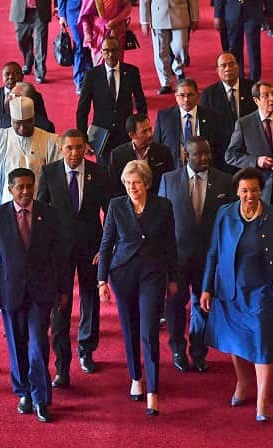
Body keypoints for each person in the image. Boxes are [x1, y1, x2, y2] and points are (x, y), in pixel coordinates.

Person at [199, 167, 273, 422]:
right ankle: (243, 382)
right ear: (237, 191)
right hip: (229, 289)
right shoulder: (224, 214)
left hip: (260, 289)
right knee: (235, 341)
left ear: (262, 191)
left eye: (255, 190)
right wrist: (207, 287)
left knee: (263, 342)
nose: (250, 195)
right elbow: (213, 252)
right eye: (245, 190)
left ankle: (263, 400)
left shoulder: (272, 216)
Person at [0, 168, 69, 423]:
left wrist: (63, 290)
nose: (25, 191)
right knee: (17, 346)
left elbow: (60, 256)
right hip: (10, 292)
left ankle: (42, 398)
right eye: (19, 187)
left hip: (41, 293)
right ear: (10, 189)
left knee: (38, 345)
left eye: (29, 186)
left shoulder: (48, 214)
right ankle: (24, 393)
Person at [98, 160, 178, 417]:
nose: (132, 187)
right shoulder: (116, 206)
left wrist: (173, 277)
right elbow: (106, 242)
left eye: (137, 183)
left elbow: (170, 245)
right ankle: (135, 376)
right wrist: (101, 280)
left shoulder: (163, 206)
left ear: (146, 183)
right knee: (130, 328)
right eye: (128, 183)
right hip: (122, 273)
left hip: (152, 274)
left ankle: (153, 390)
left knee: (149, 330)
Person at [36, 130, 112, 386]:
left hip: (91, 248)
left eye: (79, 147)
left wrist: (106, 247)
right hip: (59, 252)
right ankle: (62, 366)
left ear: (84, 148)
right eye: (69, 148)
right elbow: (40, 213)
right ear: (61, 149)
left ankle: (87, 349)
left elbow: (110, 213)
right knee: (61, 307)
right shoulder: (49, 173)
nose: (74, 153)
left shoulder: (99, 173)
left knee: (90, 298)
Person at [158, 137, 232, 372]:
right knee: (176, 306)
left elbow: (228, 222)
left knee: (204, 306)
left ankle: (199, 351)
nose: (205, 158)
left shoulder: (224, 181)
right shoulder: (169, 180)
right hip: (177, 258)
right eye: (199, 154)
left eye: (207, 153)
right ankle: (178, 349)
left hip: (209, 259)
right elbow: (161, 221)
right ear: (185, 156)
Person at [0, 96, 61, 207]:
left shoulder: (50, 141)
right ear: (11, 121)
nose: (22, 128)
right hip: (8, 202)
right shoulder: (0, 139)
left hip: (39, 202)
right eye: (17, 123)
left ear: (33, 119)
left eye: (27, 123)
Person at [226, 81, 273, 203]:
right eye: (266, 95)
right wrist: (256, 161)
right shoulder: (244, 124)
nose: (272, 98)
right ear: (256, 100)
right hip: (257, 189)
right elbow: (230, 155)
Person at [140, 0, 199, 94]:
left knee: (180, 46)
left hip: (180, 15)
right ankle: (165, 81)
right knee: (161, 51)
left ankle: (178, 70)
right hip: (158, 16)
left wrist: (195, 17)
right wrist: (144, 20)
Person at [76, 36, 147, 161]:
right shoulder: (92, 75)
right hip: (102, 137)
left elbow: (140, 102)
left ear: (119, 51)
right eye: (106, 50)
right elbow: (83, 109)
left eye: (114, 50)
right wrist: (83, 139)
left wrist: (142, 130)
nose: (110, 54)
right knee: (103, 174)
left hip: (125, 135)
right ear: (101, 52)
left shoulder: (131, 72)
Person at [154, 78, 230, 173]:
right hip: (174, 172)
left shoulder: (212, 117)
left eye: (190, 95)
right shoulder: (164, 117)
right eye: (182, 95)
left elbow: (220, 148)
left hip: (205, 171)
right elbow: (157, 147)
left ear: (198, 96)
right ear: (176, 96)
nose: (186, 100)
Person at [79, 0, 132, 66]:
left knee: (116, 62)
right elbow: (85, 16)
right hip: (98, 33)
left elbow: (128, 7)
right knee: (99, 64)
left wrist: (115, 20)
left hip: (116, 31)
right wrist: (87, 33)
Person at [109, 113, 175, 198]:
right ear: (132, 135)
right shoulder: (117, 156)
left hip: (158, 203)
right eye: (144, 131)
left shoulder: (163, 152)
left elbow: (170, 182)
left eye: (150, 129)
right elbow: (114, 188)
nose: (149, 134)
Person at [0, 62, 51, 137]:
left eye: (15, 73)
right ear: (2, 77)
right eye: (7, 74)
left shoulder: (35, 96)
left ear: (22, 76)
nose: (11, 77)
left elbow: (41, 120)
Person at [200, 52, 258, 122]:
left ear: (238, 67)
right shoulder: (208, 94)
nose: (228, 69)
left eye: (231, 65)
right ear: (217, 70)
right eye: (223, 66)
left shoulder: (252, 88)